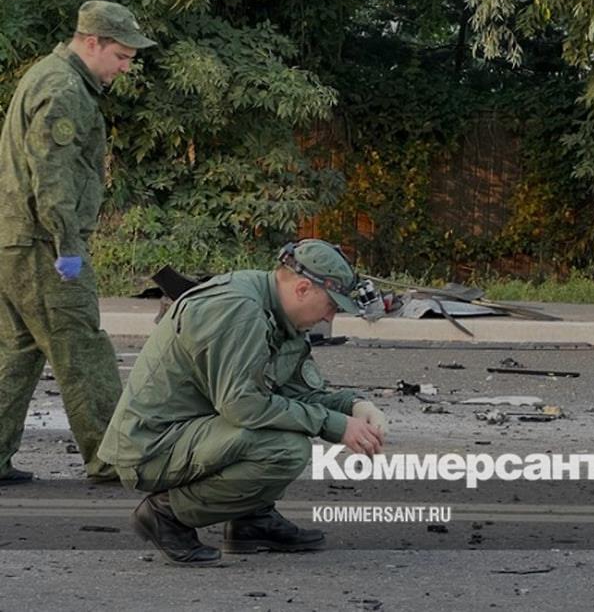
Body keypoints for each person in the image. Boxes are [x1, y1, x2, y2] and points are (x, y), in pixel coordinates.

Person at [98, 239, 390, 566]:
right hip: (151, 447)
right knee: (284, 449)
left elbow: (297, 393)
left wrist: (355, 407)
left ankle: (251, 520)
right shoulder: (240, 310)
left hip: (190, 433)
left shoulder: (278, 313)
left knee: (284, 427)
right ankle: (165, 515)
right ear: (303, 289)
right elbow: (243, 405)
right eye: (332, 305)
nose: (330, 316)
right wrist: (333, 425)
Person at [0, 1, 156, 485]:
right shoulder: (65, 89)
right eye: (121, 56)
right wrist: (67, 245)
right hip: (44, 246)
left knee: (17, 352)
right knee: (82, 350)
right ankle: (114, 459)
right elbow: (53, 176)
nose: (125, 67)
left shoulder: (47, 76)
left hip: (16, 241)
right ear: (92, 42)